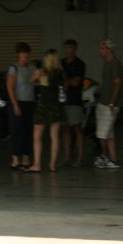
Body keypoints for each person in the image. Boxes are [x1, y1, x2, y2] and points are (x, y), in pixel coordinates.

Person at [28, 50, 66, 172]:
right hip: (56, 107)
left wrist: (36, 76)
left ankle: (37, 164)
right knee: (54, 137)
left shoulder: (42, 72)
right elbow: (63, 87)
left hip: (43, 107)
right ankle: (52, 165)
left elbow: (32, 81)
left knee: (37, 136)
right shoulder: (61, 73)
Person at [94, 38, 123, 169]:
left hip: (109, 105)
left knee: (102, 134)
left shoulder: (114, 63)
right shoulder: (107, 63)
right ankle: (113, 159)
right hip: (103, 102)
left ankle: (104, 157)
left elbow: (117, 83)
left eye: (102, 48)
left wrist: (112, 102)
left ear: (108, 49)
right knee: (109, 134)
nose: (99, 51)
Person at [6, 42, 35, 170]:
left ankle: (26, 157)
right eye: (23, 55)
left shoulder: (32, 68)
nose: (25, 58)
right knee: (17, 130)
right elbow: (10, 87)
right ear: (18, 55)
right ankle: (15, 159)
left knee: (28, 131)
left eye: (27, 55)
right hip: (18, 102)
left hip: (30, 102)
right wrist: (15, 105)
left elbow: (35, 82)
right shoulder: (14, 68)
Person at [61, 39, 86, 167]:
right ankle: (67, 157)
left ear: (75, 49)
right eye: (65, 48)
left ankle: (80, 157)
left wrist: (64, 78)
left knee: (77, 128)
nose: (67, 50)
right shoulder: (61, 63)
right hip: (62, 100)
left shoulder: (79, 64)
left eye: (70, 48)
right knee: (65, 129)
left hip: (74, 100)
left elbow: (76, 82)